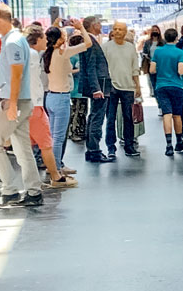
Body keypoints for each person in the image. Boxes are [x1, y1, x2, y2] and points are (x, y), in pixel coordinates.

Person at [0, 3, 42, 207]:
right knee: (22, 147)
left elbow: (17, 74)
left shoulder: (12, 42)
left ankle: (9, 189)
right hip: (21, 100)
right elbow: (13, 73)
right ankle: (33, 191)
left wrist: (11, 104)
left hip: (13, 101)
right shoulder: (16, 40)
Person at [27, 26, 76, 188]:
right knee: (51, 138)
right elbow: (86, 44)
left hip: (44, 98)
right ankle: (55, 171)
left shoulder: (42, 56)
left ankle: (52, 169)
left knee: (45, 138)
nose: (46, 41)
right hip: (45, 99)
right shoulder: (42, 55)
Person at [43, 23, 89, 175]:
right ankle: (56, 167)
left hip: (50, 97)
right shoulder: (64, 53)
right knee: (58, 137)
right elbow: (88, 43)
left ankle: (54, 165)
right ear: (60, 39)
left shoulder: (47, 53)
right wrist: (81, 28)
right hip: (61, 98)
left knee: (51, 135)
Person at [102, 21, 143, 158]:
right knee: (110, 118)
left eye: (120, 29)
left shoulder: (130, 48)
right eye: (115, 29)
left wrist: (137, 86)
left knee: (128, 117)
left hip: (128, 87)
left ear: (125, 32)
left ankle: (129, 145)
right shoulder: (106, 47)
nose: (117, 31)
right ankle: (110, 147)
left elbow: (134, 68)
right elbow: (102, 68)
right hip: (111, 87)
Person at [78, 15, 114, 163]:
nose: (101, 26)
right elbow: (91, 67)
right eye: (99, 24)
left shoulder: (90, 41)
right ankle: (94, 150)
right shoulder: (91, 42)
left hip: (99, 85)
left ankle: (92, 149)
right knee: (96, 117)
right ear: (94, 25)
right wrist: (96, 88)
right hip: (100, 86)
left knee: (94, 116)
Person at [151, 28, 183, 156]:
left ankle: (168, 145)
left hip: (161, 86)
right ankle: (179, 142)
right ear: (176, 38)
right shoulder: (179, 52)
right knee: (177, 115)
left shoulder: (158, 51)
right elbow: (180, 71)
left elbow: (152, 70)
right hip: (177, 86)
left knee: (167, 114)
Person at [142, 25, 163, 93]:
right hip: (151, 65)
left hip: (161, 66)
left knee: (160, 83)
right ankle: (155, 93)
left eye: (156, 30)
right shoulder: (147, 42)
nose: (154, 32)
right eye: (153, 30)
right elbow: (144, 53)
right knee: (153, 82)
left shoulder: (163, 42)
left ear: (159, 31)